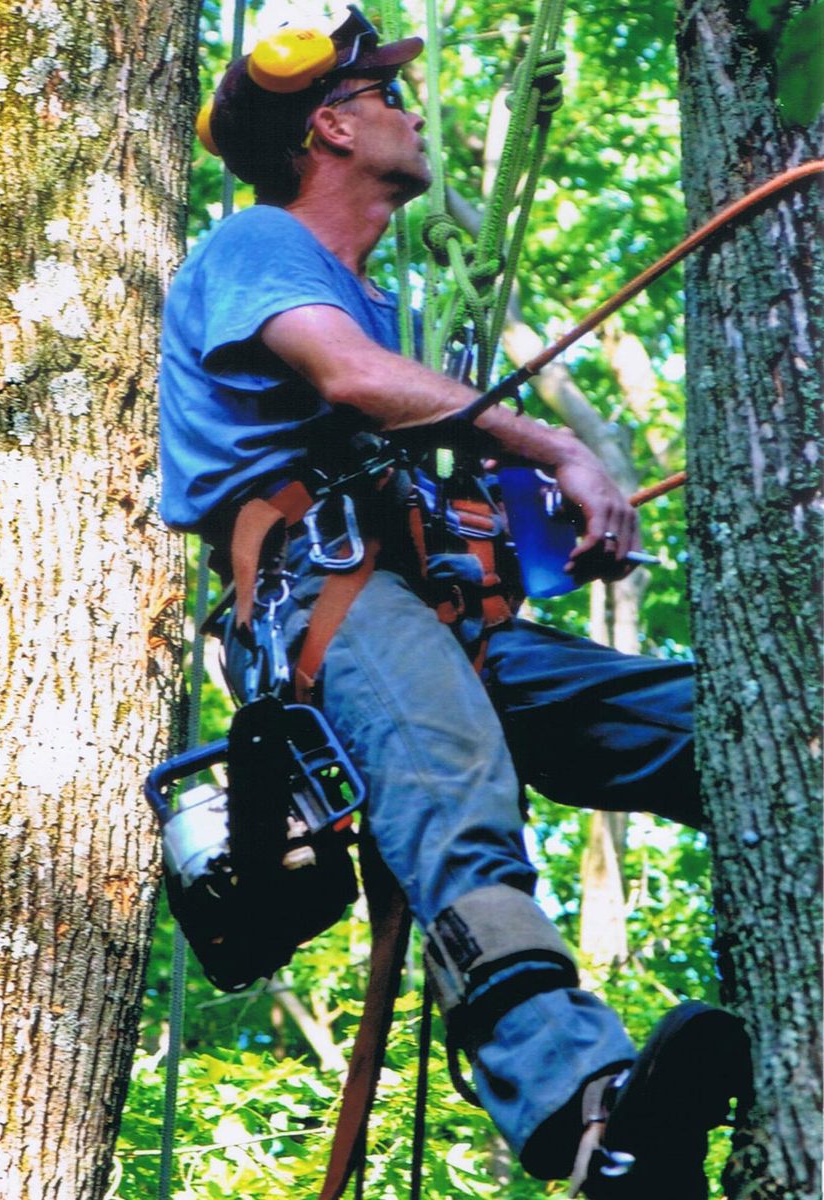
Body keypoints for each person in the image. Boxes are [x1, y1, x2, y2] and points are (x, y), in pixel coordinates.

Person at [158, 9, 749, 1197]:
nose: (410, 111)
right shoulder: (259, 248)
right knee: (452, 804)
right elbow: (354, 381)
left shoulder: (366, 299)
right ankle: (585, 1122)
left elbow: (400, 443)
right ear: (331, 123)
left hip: (436, 613)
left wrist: (538, 534)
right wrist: (560, 450)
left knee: (732, 731)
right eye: (387, 95)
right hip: (331, 607)